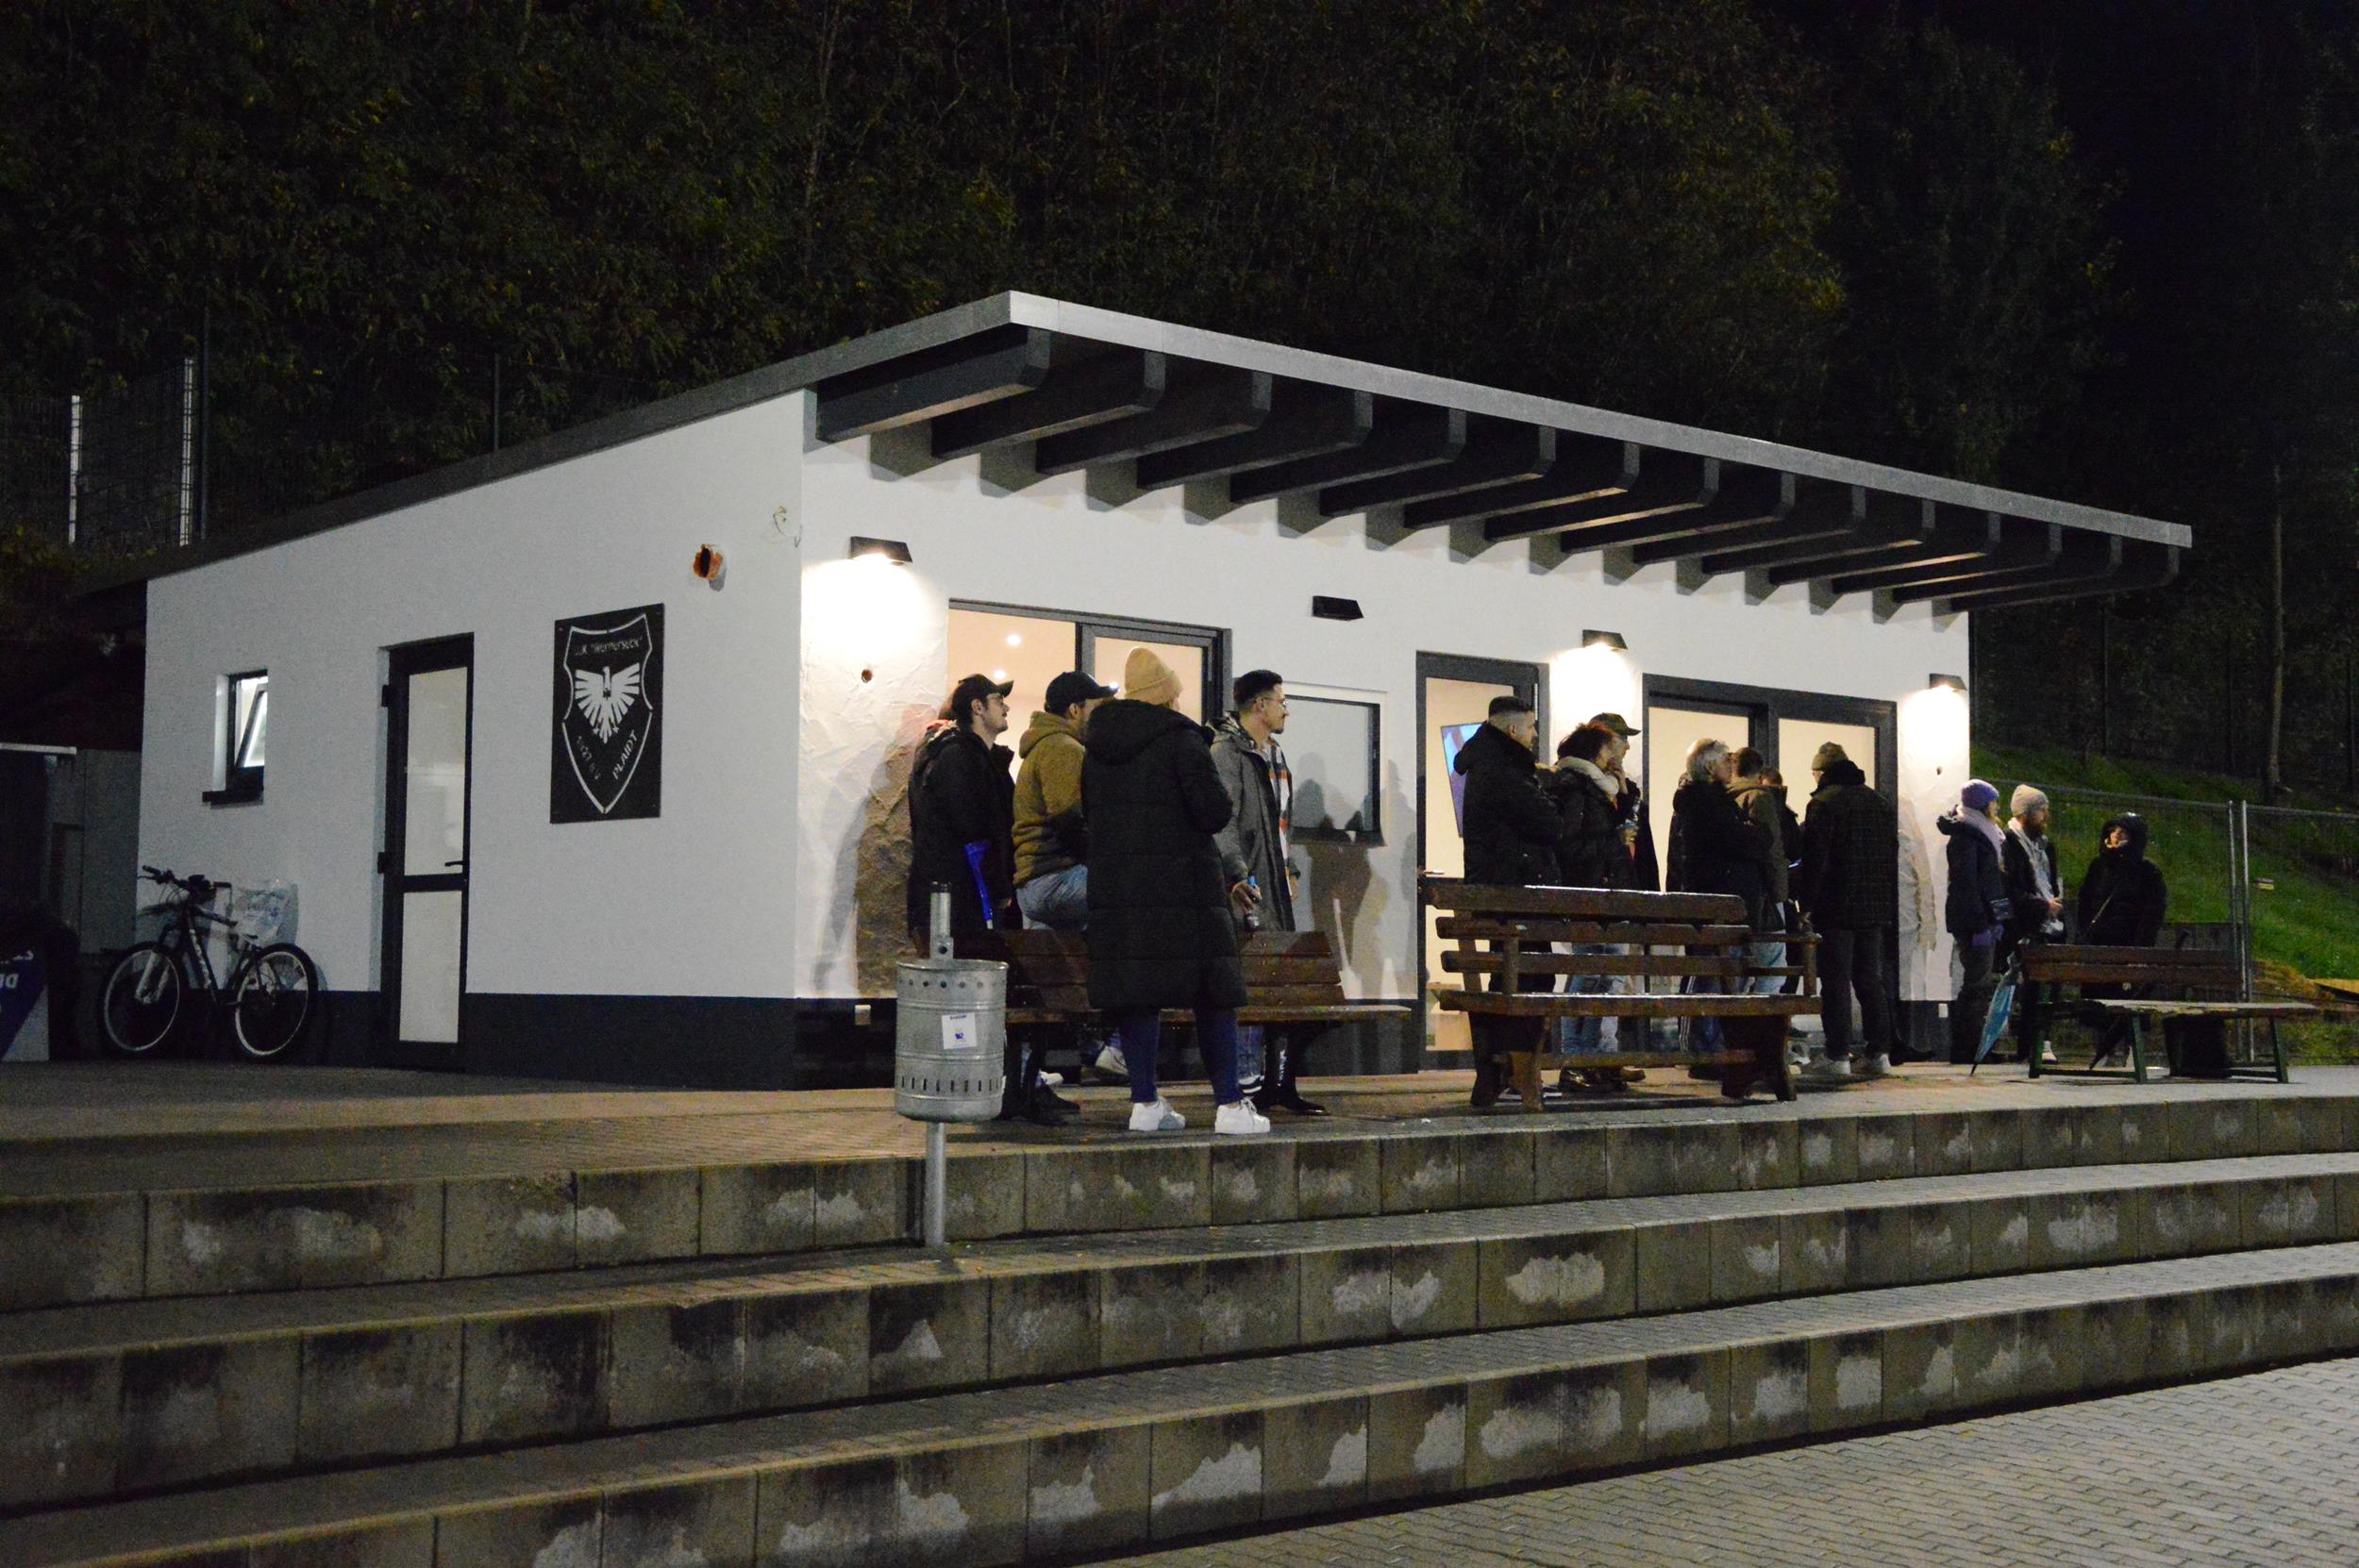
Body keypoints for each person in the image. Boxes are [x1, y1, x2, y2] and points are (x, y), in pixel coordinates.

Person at [1084, 646, 1269, 1136]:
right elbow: (1213, 812)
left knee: (1138, 995)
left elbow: (1089, 818)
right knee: (1214, 993)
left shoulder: (1097, 750)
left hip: (1122, 891)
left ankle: (1145, 1103)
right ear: (1167, 696)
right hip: (1185, 891)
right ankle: (1230, 1106)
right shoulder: (1181, 740)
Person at [910, 672, 1074, 1124]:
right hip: (962, 902)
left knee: (999, 994)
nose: (1006, 706)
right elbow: (975, 836)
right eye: (998, 699)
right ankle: (991, 1087)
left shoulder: (975, 759)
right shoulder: (958, 759)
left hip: (964, 900)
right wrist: (999, 891)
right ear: (977, 707)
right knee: (977, 996)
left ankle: (1016, 1084)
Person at [1212, 669, 1323, 1116]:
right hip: (1246, 886)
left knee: (1277, 979)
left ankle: (1278, 1084)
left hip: (1274, 882)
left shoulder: (1274, 755)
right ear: (1260, 705)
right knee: (1250, 981)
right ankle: (1247, 1080)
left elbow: (1281, 825)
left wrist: (1289, 868)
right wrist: (1238, 874)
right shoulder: (1227, 753)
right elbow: (1223, 822)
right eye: (1282, 701)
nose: (1286, 710)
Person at [1456, 693, 1562, 1107]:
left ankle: (1499, 1072)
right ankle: (1515, 1072)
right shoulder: (1502, 769)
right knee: (1527, 980)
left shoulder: (1488, 763)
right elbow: (1548, 822)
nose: (1535, 735)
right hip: (1516, 891)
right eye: (1532, 727)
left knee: (1514, 979)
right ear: (1514, 729)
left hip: (1507, 890)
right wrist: (1547, 794)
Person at [1797, 742, 1899, 1083]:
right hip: (1874, 907)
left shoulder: (1824, 804)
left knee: (1836, 982)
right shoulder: (1880, 803)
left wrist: (1806, 905)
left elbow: (1816, 861)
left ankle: (1837, 1054)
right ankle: (1879, 1053)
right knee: (1870, 980)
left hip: (1836, 906)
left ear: (1822, 772)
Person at [1667, 739, 1772, 1058]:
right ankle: (1702, 1049)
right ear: (1711, 766)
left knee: (1723, 977)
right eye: (1726, 760)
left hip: (1725, 906)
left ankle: (1716, 1047)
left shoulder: (1712, 801)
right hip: (1715, 905)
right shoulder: (1705, 803)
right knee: (1710, 976)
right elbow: (1743, 842)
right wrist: (1759, 834)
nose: (1731, 764)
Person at [1548, 725, 1637, 1088]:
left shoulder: (1600, 787)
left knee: (1607, 976)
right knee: (1588, 974)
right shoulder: (1575, 787)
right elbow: (1569, 845)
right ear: (1592, 753)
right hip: (1589, 893)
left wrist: (1625, 794)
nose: (1613, 756)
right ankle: (1575, 1058)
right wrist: (1614, 842)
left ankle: (1595, 1058)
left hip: (1608, 893)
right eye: (1607, 749)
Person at [1012, 670, 1116, 930]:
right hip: (1056, 878)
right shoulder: (1063, 747)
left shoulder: (1044, 745)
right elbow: (1069, 819)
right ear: (1075, 710)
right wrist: (1102, 861)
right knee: (1142, 887)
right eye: (1095, 707)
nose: (1100, 716)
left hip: (1037, 881)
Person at [2077, 812, 2168, 1065]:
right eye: (2113, 831)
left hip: (2128, 949)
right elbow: (2085, 905)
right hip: (2098, 949)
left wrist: (2139, 950)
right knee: (2097, 1002)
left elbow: (2151, 915)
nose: (2116, 836)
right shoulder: (2098, 867)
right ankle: (2103, 1050)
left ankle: (2120, 1051)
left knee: (2124, 1000)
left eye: (2123, 832)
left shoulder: (2147, 872)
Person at [1937, 779, 2012, 1064]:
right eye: (1993, 801)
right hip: (1974, 921)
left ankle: (1973, 1046)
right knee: (1976, 984)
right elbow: (1968, 883)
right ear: (1983, 805)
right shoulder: (1968, 836)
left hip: (1981, 918)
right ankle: (1967, 1048)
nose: (1997, 807)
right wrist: (1982, 923)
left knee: (1978, 983)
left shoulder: (1979, 832)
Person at [2001, 784, 2066, 1064]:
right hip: (2026, 926)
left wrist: (2055, 901)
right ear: (2024, 814)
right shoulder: (2009, 844)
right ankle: (2031, 1044)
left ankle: (2039, 1041)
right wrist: (2042, 906)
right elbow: (2011, 889)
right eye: (2041, 811)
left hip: (2050, 925)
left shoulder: (2045, 846)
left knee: (2046, 987)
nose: (2046, 816)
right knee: (2031, 988)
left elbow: (2051, 880)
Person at [1730, 747, 1791, 996]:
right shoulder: (1760, 798)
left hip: (1733, 895)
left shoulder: (1722, 797)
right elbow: (1772, 852)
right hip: (1763, 895)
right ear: (1759, 772)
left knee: (1738, 968)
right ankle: (1760, 1017)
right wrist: (1780, 893)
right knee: (1773, 965)